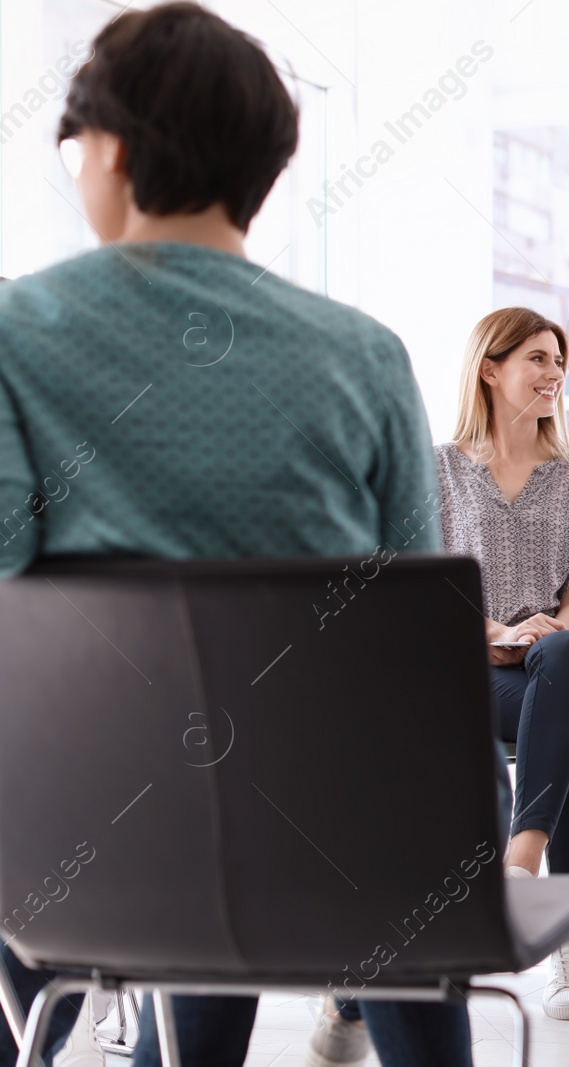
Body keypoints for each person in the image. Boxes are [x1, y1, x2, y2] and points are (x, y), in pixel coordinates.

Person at [0, 5, 469, 1065]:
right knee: (358, 805)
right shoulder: (367, 356)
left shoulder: (14, 334)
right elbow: (414, 646)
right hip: (350, 858)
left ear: (110, 149)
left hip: (85, 854)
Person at [306, 308, 569, 1064]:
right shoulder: (438, 468)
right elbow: (416, 588)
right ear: (491, 368)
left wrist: (544, 628)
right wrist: (493, 632)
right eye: (537, 359)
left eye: (559, 362)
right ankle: (561, 927)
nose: (553, 375)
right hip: (454, 667)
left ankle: (520, 869)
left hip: (543, 665)